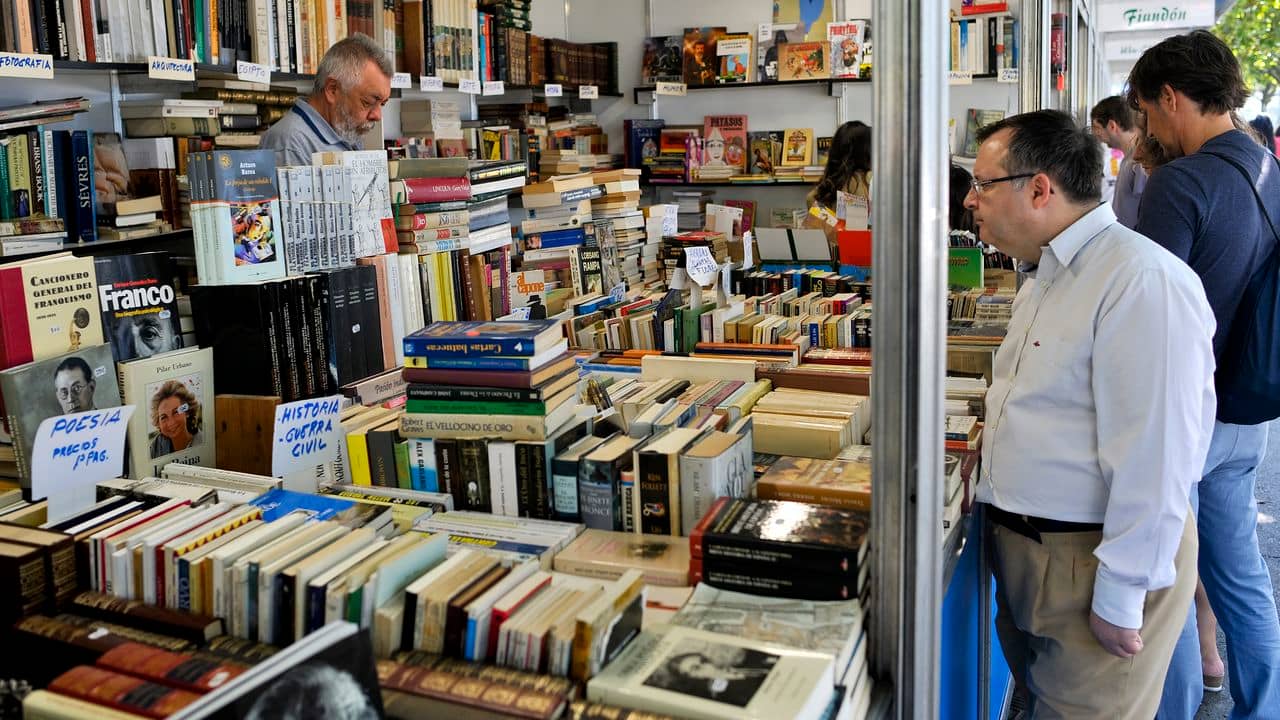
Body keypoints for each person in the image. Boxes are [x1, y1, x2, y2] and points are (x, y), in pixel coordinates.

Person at [966, 109, 1214, 718]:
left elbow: (1159, 455)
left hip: (1090, 560)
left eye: (982, 184)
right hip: (1036, 553)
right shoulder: (1050, 271)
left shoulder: (1141, 280)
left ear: (1039, 189)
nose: (970, 200)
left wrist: (1123, 593)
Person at [1125, 30, 1280, 719]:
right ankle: (1264, 708)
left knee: (1167, 583)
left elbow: (1148, 309)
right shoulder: (1268, 167)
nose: (1147, 128)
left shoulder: (1181, 182)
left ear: (1170, 96)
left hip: (1187, 409)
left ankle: (1177, 710)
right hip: (1250, 404)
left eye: (1146, 110)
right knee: (1241, 576)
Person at [259, 34, 392, 168]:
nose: (378, 116)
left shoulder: (346, 128)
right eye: (367, 102)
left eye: (382, 104)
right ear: (332, 90)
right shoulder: (290, 144)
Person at [1089, 96, 1147, 229]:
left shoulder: (1138, 162)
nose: (1095, 134)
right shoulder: (1128, 160)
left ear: (1112, 126)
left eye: (1097, 127)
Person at [149, 380, 203, 458]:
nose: (171, 422)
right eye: (163, 417)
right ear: (158, 423)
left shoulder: (202, 441)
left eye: (176, 412)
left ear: (187, 412)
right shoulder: (156, 446)